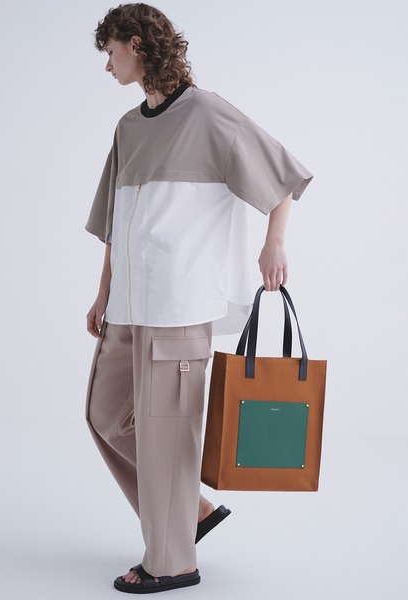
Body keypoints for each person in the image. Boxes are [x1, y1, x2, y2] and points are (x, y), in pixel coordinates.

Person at [84, 3, 313, 594]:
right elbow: (115, 222)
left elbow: (282, 179)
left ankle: (171, 563)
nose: (107, 65)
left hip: (178, 306)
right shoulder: (128, 127)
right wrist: (103, 293)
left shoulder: (208, 114)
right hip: (127, 307)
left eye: (111, 52)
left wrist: (274, 243)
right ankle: (192, 510)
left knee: (166, 438)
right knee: (105, 416)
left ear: (137, 44)